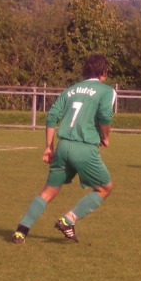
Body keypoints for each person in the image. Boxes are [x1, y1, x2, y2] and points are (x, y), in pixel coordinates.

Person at [12, 53, 116, 244]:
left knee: (48, 192)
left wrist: (48, 147)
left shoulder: (71, 90)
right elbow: (104, 115)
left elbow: (52, 116)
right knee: (104, 188)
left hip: (63, 147)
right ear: (103, 71)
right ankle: (69, 219)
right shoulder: (106, 90)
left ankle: (21, 231)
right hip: (84, 148)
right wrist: (106, 137)